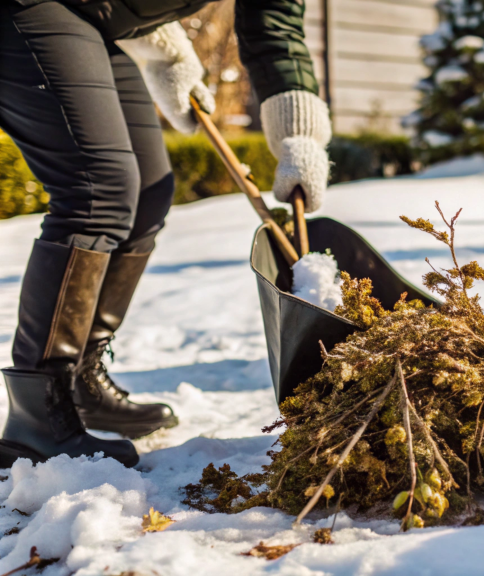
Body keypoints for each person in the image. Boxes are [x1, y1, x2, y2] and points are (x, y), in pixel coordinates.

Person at [0, 0, 332, 467]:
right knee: (100, 190)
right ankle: (37, 413)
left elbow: (273, 21)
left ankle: (80, 379)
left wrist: (299, 136)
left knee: (149, 193)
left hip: (92, 19)